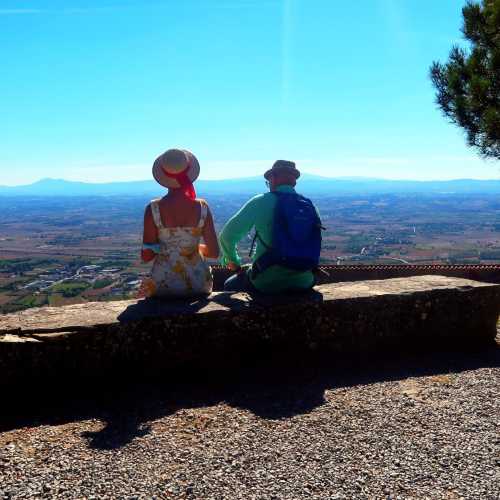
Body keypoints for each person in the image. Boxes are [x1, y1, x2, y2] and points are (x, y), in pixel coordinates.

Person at [219, 160, 322, 294]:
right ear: (294, 182)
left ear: (273, 178)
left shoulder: (260, 201)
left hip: (266, 282)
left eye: (268, 180)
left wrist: (235, 263)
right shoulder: (309, 206)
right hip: (304, 281)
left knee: (229, 285)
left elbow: (227, 237)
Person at [139, 148, 219, 298]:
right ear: (190, 173)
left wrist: (170, 247)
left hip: (162, 285)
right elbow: (214, 253)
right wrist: (190, 248)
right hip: (199, 284)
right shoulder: (202, 207)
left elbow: (147, 256)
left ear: (163, 175)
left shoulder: (153, 209)